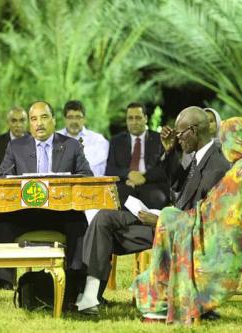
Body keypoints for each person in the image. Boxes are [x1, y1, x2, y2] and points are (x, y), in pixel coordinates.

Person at [77, 106, 229, 314]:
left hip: (180, 233)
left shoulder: (216, 164)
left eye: (180, 134)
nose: (177, 138)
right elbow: (177, 187)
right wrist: (169, 152)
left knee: (106, 231)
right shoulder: (199, 156)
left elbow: (204, 218)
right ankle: (90, 294)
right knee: (104, 218)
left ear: (193, 130)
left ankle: (87, 295)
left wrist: (161, 220)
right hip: (170, 222)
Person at [132, 117, 242, 324]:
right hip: (240, 237)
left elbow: (217, 211)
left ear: (237, 140)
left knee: (169, 218)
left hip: (229, 244)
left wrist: (180, 218)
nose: (222, 145)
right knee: (170, 217)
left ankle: (159, 303)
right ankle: (159, 299)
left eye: (224, 140)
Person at [0, 101, 93, 291]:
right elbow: (1, 179)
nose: (39, 123)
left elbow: (87, 177)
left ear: (54, 121)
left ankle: (76, 279)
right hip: (25, 213)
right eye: (34, 119)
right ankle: (4, 281)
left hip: (61, 213)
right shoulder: (16, 147)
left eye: (44, 117)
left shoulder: (71, 146)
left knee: (79, 223)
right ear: (30, 124)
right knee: (1, 223)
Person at [106, 102, 169, 210]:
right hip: (126, 185)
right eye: (130, 118)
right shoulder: (116, 141)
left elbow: (165, 169)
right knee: (115, 200)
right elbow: (110, 169)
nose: (134, 122)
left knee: (157, 199)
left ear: (145, 118)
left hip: (152, 186)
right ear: (126, 120)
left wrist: (144, 177)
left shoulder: (159, 140)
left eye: (138, 118)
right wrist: (129, 174)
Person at [57, 100, 109, 176]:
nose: (74, 121)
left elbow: (95, 168)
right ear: (65, 119)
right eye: (70, 117)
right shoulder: (55, 138)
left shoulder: (98, 140)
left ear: (84, 119)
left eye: (78, 117)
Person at [0, 106, 27, 177]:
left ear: (27, 122)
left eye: (22, 120)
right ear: (8, 122)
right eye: (14, 121)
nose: (18, 125)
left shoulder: (35, 141)